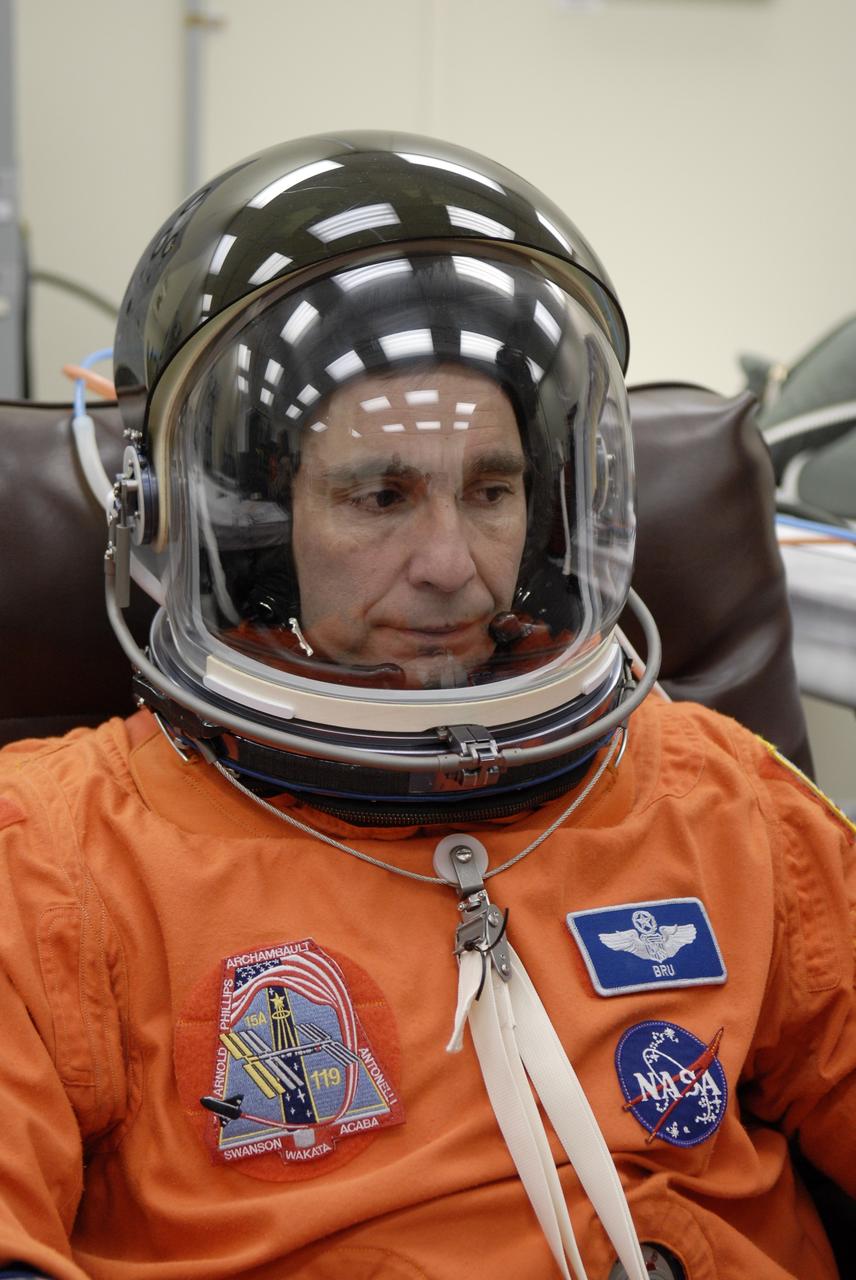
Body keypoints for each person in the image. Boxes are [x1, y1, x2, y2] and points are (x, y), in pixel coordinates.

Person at [0, 132, 853, 1280]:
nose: (452, 564)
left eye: (490, 489)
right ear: (254, 525)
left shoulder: (718, 794)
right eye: (379, 496)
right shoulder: (53, 857)